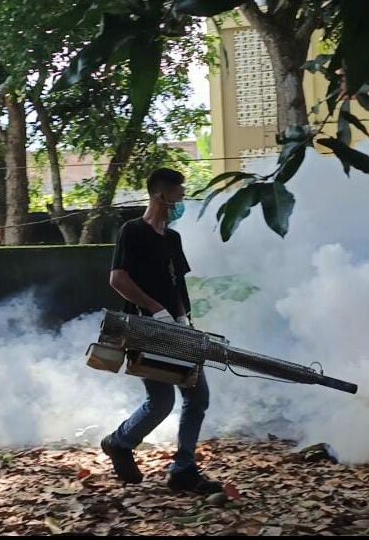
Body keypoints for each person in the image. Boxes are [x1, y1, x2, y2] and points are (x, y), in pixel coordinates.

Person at [100, 168, 224, 495]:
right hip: (144, 329)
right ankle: (120, 442)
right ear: (161, 195)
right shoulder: (132, 232)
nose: (182, 201)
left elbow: (177, 284)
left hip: (176, 328)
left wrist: (184, 320)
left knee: (198, 396)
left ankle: (183, 469)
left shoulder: (173, 238)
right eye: (179, 195)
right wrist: (155, 308)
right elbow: (118, 280)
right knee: (161, 401)